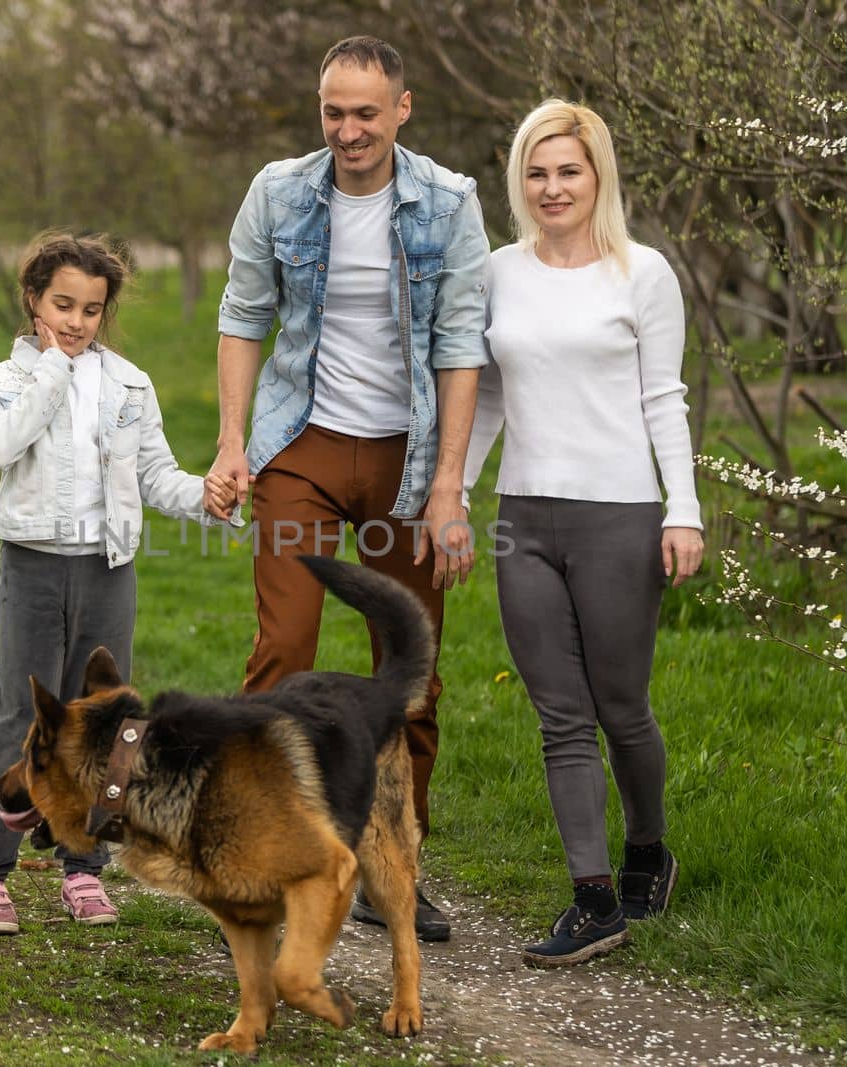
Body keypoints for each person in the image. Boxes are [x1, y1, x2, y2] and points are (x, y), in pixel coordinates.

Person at [202, 35, 490, 942]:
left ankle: (391, 870)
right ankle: (264, 853)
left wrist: (448, 488)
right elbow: (245, 316)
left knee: (411, 674)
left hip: (408, 462)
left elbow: (460, 343)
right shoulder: (279, 192)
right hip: (304, 449)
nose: (349, 129)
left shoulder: (448, 203)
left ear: (402, 108)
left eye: (367, 112)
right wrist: (231, 444)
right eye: (334, 111)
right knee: (283, 649)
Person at [463, 99, 705, 967]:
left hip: (620, 519)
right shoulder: (497, 273)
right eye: (537, 171)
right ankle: (593, 898)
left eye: (568, 170)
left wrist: (684, 509)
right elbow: (486, 397)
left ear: (597, 175)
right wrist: (453, 493)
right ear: (518, 182)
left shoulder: (644, 273)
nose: (552, 186)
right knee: (560, 718)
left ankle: (649, 848)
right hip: (523, 519)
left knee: (621, 709)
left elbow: (663, 400)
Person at [0, 231, 235, 933]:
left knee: (114, 730)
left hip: (108, 571)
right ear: (33, 300)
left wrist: (204, 494)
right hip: (32, 567)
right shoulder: (1, 381)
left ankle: (83, 870)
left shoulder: (130, 384)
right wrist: (53, 370)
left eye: (91, 309)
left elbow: (154, 476)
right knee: (19, 722)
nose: (77, 321)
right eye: (63, 304)